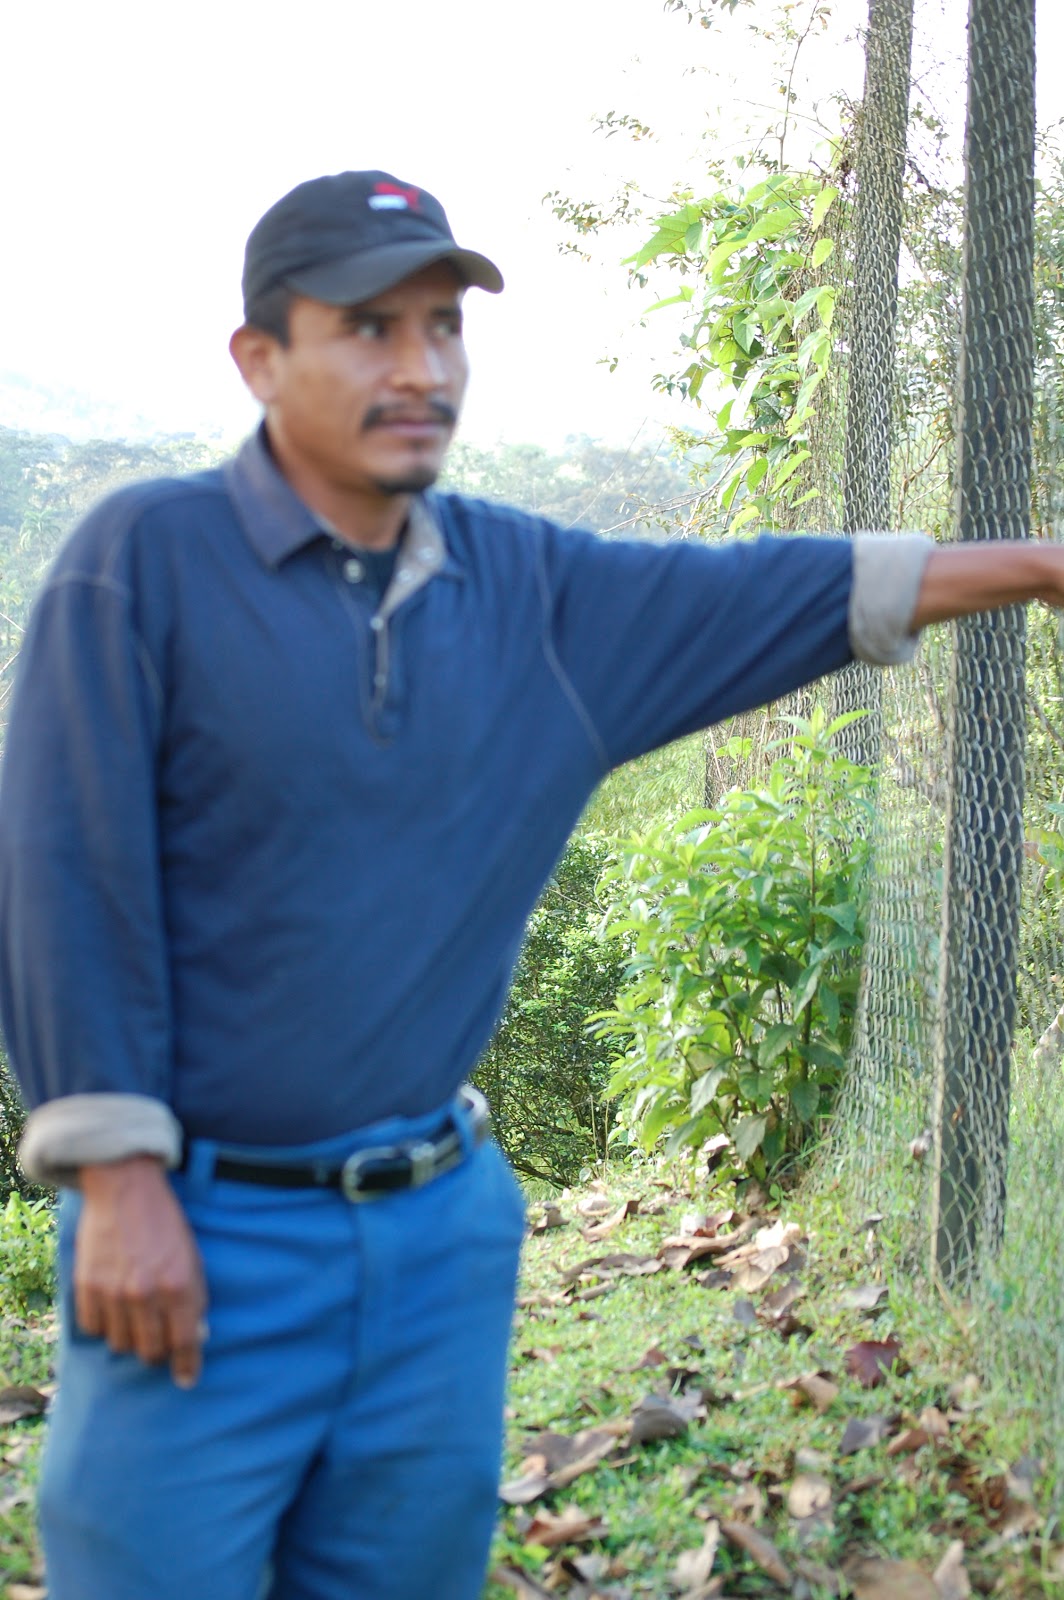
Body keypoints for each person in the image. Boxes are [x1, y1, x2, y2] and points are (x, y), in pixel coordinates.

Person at [0, 168, 1061, 1600]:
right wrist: (118, 1179)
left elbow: (785, 588)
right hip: (199, 1231)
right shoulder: (144, 564)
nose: (421, 367)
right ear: (259, 357)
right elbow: (64, 871)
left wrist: (1042, 566)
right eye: (369, 328)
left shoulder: (534, 594)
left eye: (442, 327)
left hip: (436, 1240)